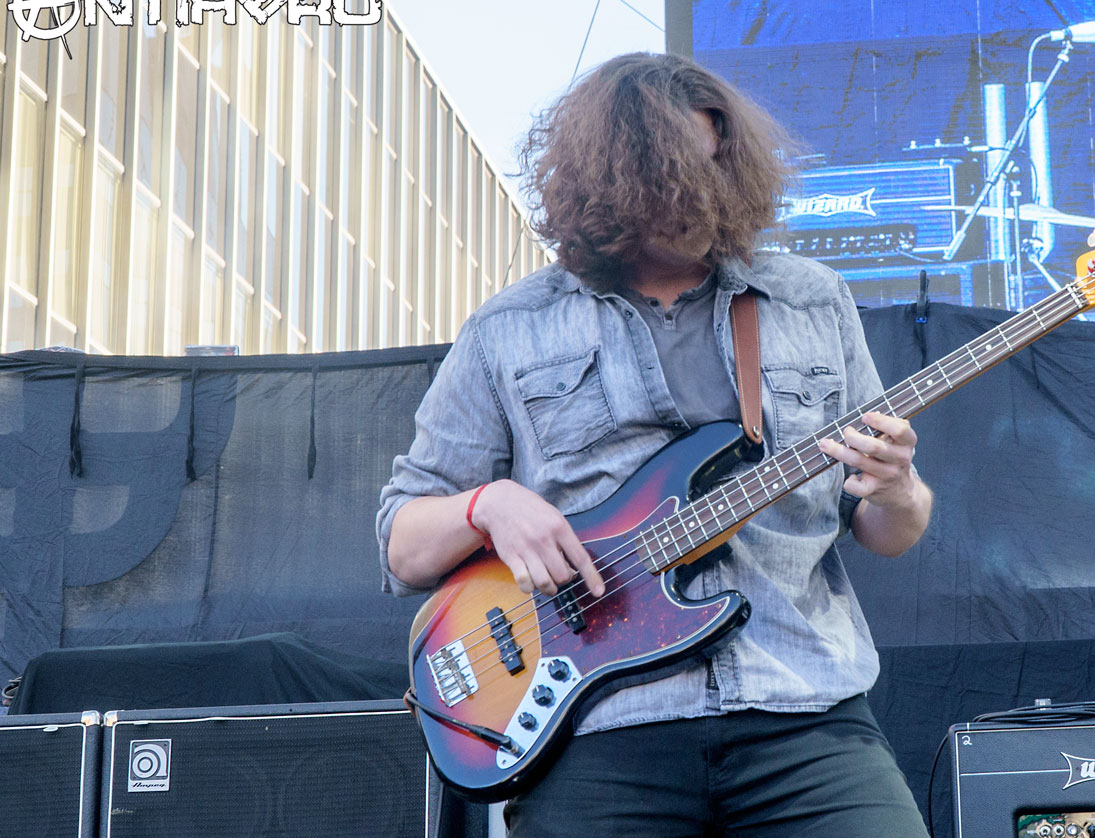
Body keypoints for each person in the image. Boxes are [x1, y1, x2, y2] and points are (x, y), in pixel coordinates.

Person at [376, 52, 933, 837]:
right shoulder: (510, 328)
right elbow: (403, 547)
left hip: (804, 704)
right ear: (612, 179)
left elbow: (886, 531)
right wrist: (488, 505)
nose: (707, 196)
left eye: (719, 168)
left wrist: (900, 490)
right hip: (600, 727)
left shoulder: (811, 300)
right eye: (681, 174)